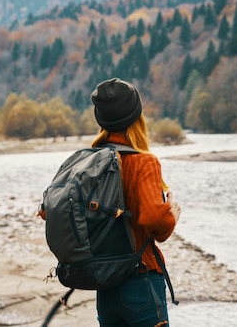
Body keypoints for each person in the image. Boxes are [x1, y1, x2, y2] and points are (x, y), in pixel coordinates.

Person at [90, 77, 181, 327]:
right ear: (136, 117)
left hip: (106, 283)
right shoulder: (144, 162)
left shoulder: (90, 162)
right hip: (140, 280)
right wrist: (172, 213)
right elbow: (155, 222)